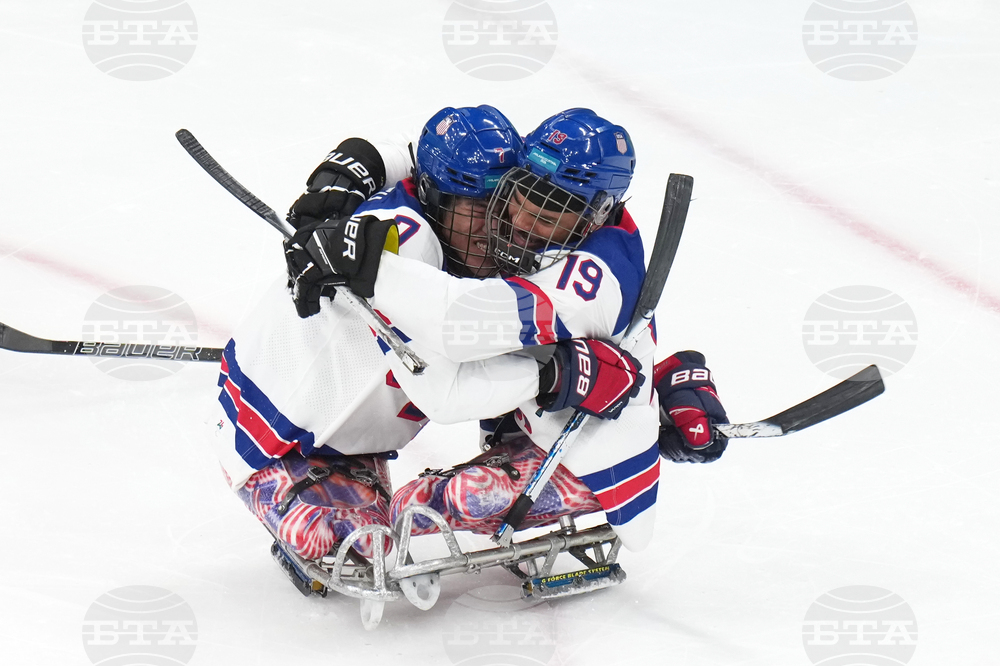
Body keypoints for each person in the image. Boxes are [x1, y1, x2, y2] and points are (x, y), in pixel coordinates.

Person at [213, 106, 645, 586]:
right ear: (437, 198)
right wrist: (358, 167)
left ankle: (559, 467)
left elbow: (464, 329)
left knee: (443, 501)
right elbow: (444, 384)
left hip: (576, 437)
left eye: (504, 203)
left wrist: (666, 379)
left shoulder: (578, 273)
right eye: (485, 209)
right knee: (338, 539)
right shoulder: (410, 240)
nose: (505, 225)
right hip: (278, 436)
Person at [312, 109, 729, 552]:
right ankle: (658, 375)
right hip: (525, 413)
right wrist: (356, 168)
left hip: (581, 449)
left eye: (549, 217)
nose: (522, 226)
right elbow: (440, 157)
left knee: (423, 506)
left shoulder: (590, 281)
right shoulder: (564, 218)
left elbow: (456, 324)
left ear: (595, 214)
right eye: (520, 198)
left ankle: (643, 402)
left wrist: (363, 262)